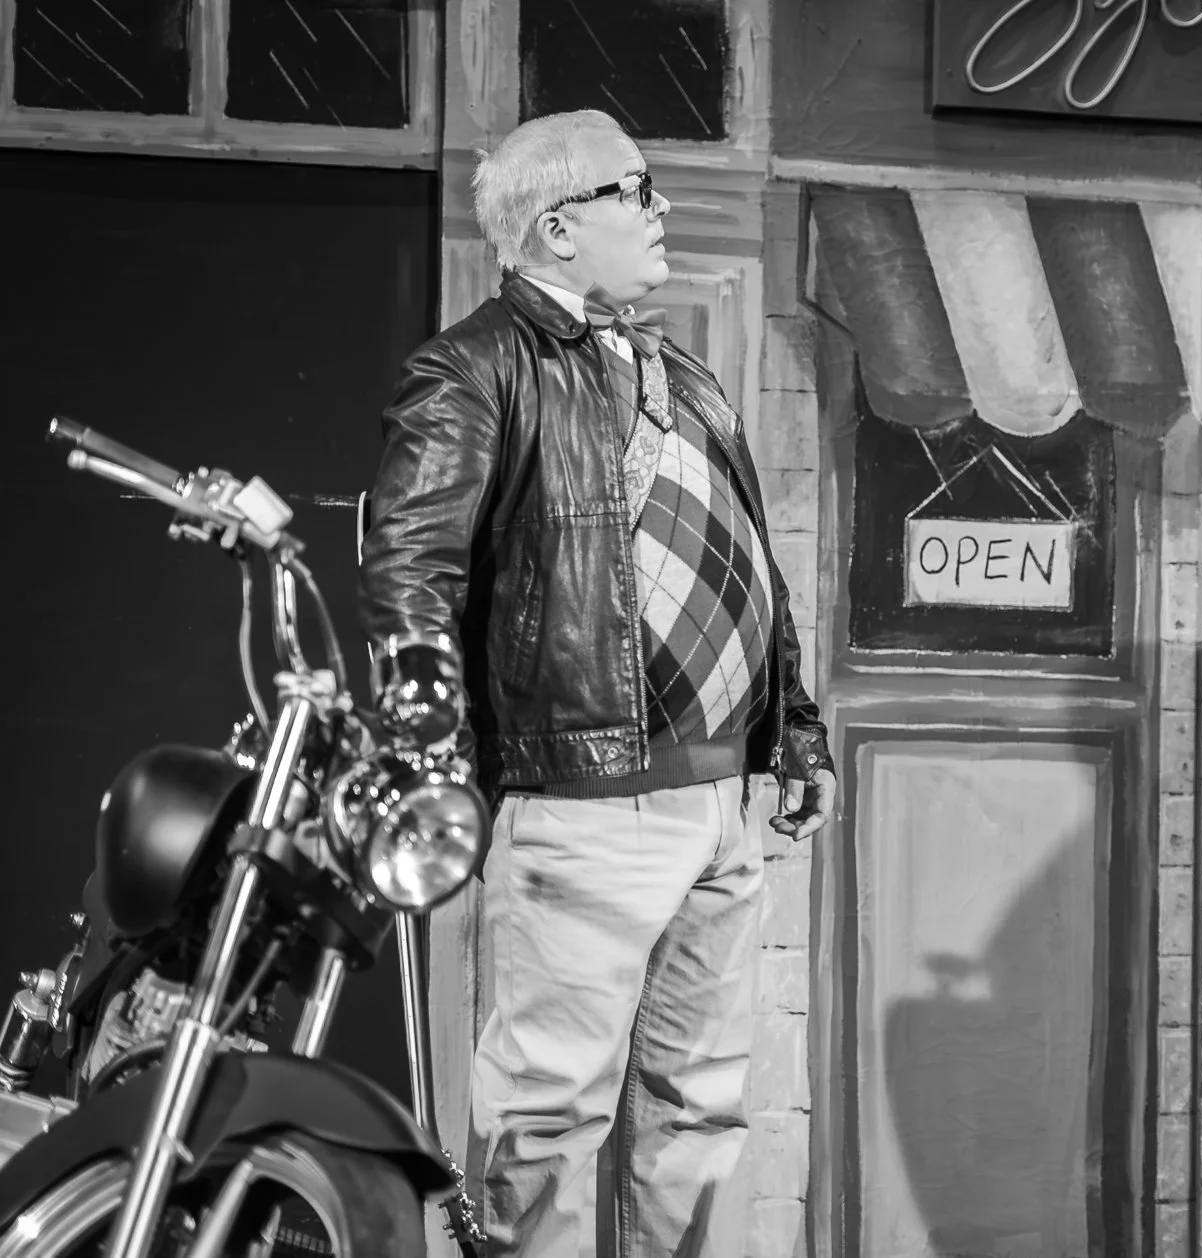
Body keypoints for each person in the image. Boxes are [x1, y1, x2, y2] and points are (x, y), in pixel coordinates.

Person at [358, 109, 837, 1257]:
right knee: (548, 1116)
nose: (661, 208)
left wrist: (794, 727)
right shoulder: (476, 367)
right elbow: (411, 566)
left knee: (701, 1111)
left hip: (717, 801)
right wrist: (430, 750)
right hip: (582, 804)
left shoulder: (681, 371)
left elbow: (750, 559)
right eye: (637, 188)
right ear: (560, 228)